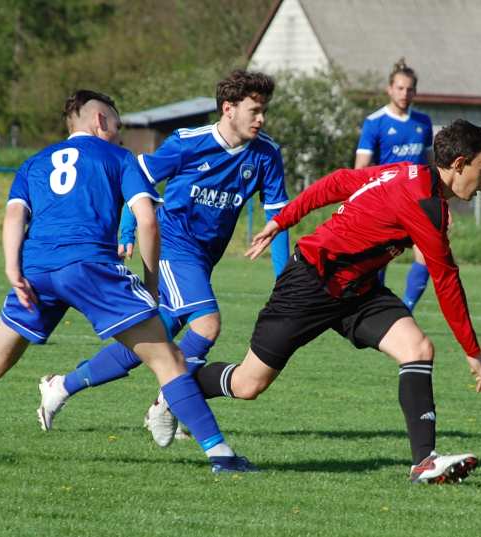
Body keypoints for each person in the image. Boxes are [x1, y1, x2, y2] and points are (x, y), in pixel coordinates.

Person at [0, 90, 254, 473]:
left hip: (36, 271)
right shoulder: (119, 158)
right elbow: (148, 220)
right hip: (90, 266)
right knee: (169, 360)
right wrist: (151, 286)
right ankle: (221, 457)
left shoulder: (34, 163)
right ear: (100, 121)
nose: (121, 134)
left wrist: (11, 269)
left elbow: (13, 219)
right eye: (118, 125)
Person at [184, 119, 481, 484]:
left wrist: (284, 220)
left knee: (418, 348)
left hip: (357, 291)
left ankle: (424, 462)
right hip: (311, 282)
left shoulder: (411, 175)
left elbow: (338, 182)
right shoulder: (423, 202)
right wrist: (472, 351)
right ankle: (177, 387)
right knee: (248, 385)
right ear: (459, 164)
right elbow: (445, 279)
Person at [36, 70, 290, 447]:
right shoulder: (188, 143)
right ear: (228, 108)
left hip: (205, 258)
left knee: (153, 340)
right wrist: (126, 231)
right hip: (174, 245)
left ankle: (62, 385)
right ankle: (168, 401)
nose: (261, 118)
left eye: (264, 110)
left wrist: (285, 281)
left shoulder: (266, 154)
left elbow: (278, 219)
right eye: (254, 109)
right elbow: (136, 179)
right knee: (207, 324)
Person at [354, 58, 434, 312]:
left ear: (415, 91)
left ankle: (405, 309)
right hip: (386, 202)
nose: (404, 93)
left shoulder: (423, 122)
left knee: (427, 256)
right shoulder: (375, 122)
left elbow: (431, 165)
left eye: (409, 89)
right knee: (380, 258)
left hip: (418, 203)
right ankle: (375, 309)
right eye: (400, 88)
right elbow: (361, 168)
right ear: (390, 89)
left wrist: (439, 202)